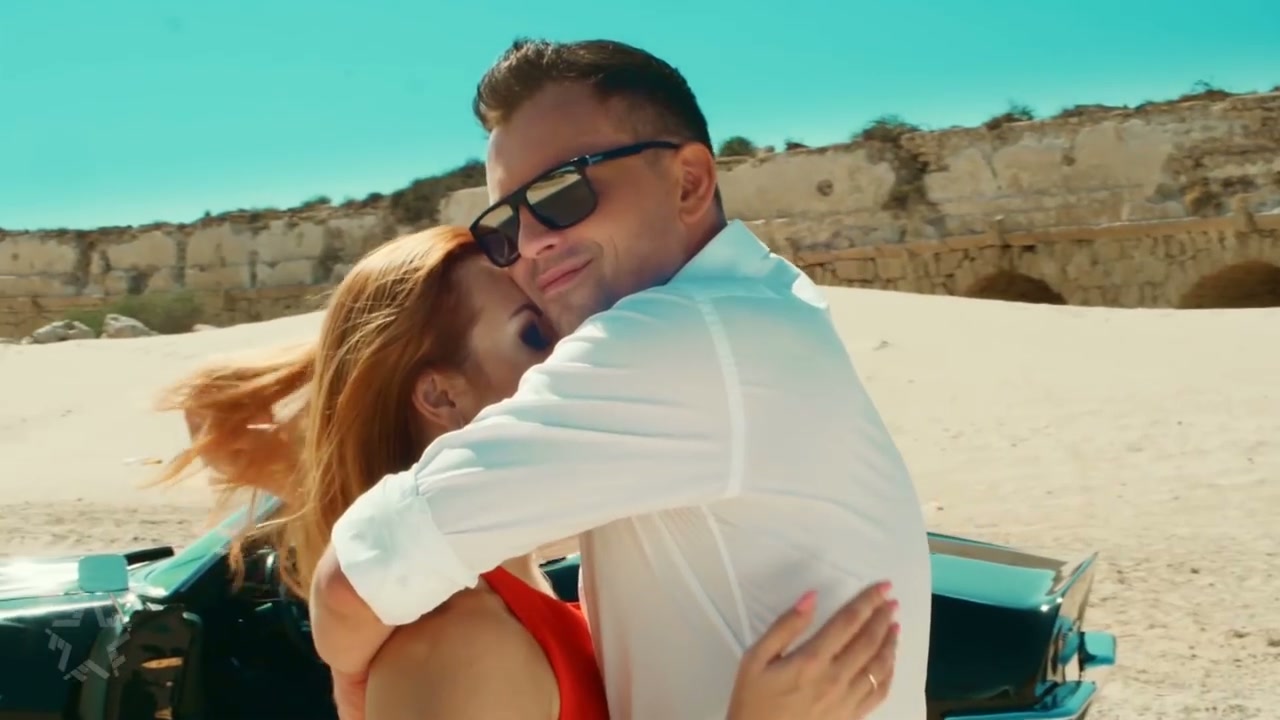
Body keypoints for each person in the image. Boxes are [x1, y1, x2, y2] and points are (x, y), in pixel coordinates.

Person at [309, 38, 933, 720]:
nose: (533, 242)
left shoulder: (681, 341)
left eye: (562, 192)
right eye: (505, 223)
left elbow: (353, 582)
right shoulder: (761, 313)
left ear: (688, 182)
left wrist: (351, 683)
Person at [154, 226, 900, 720]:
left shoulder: (528, 591)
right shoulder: (458, 644)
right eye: (537, 333)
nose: (581, 352)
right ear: (440, 396)